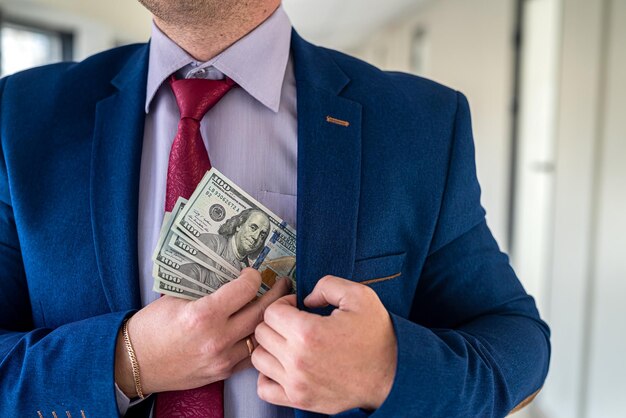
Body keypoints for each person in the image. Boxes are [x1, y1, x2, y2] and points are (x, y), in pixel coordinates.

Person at [0, 0, 550, 417]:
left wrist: (389, 369)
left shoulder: (422, 124)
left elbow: (518, 341)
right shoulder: (18, 116)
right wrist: (125, 361)